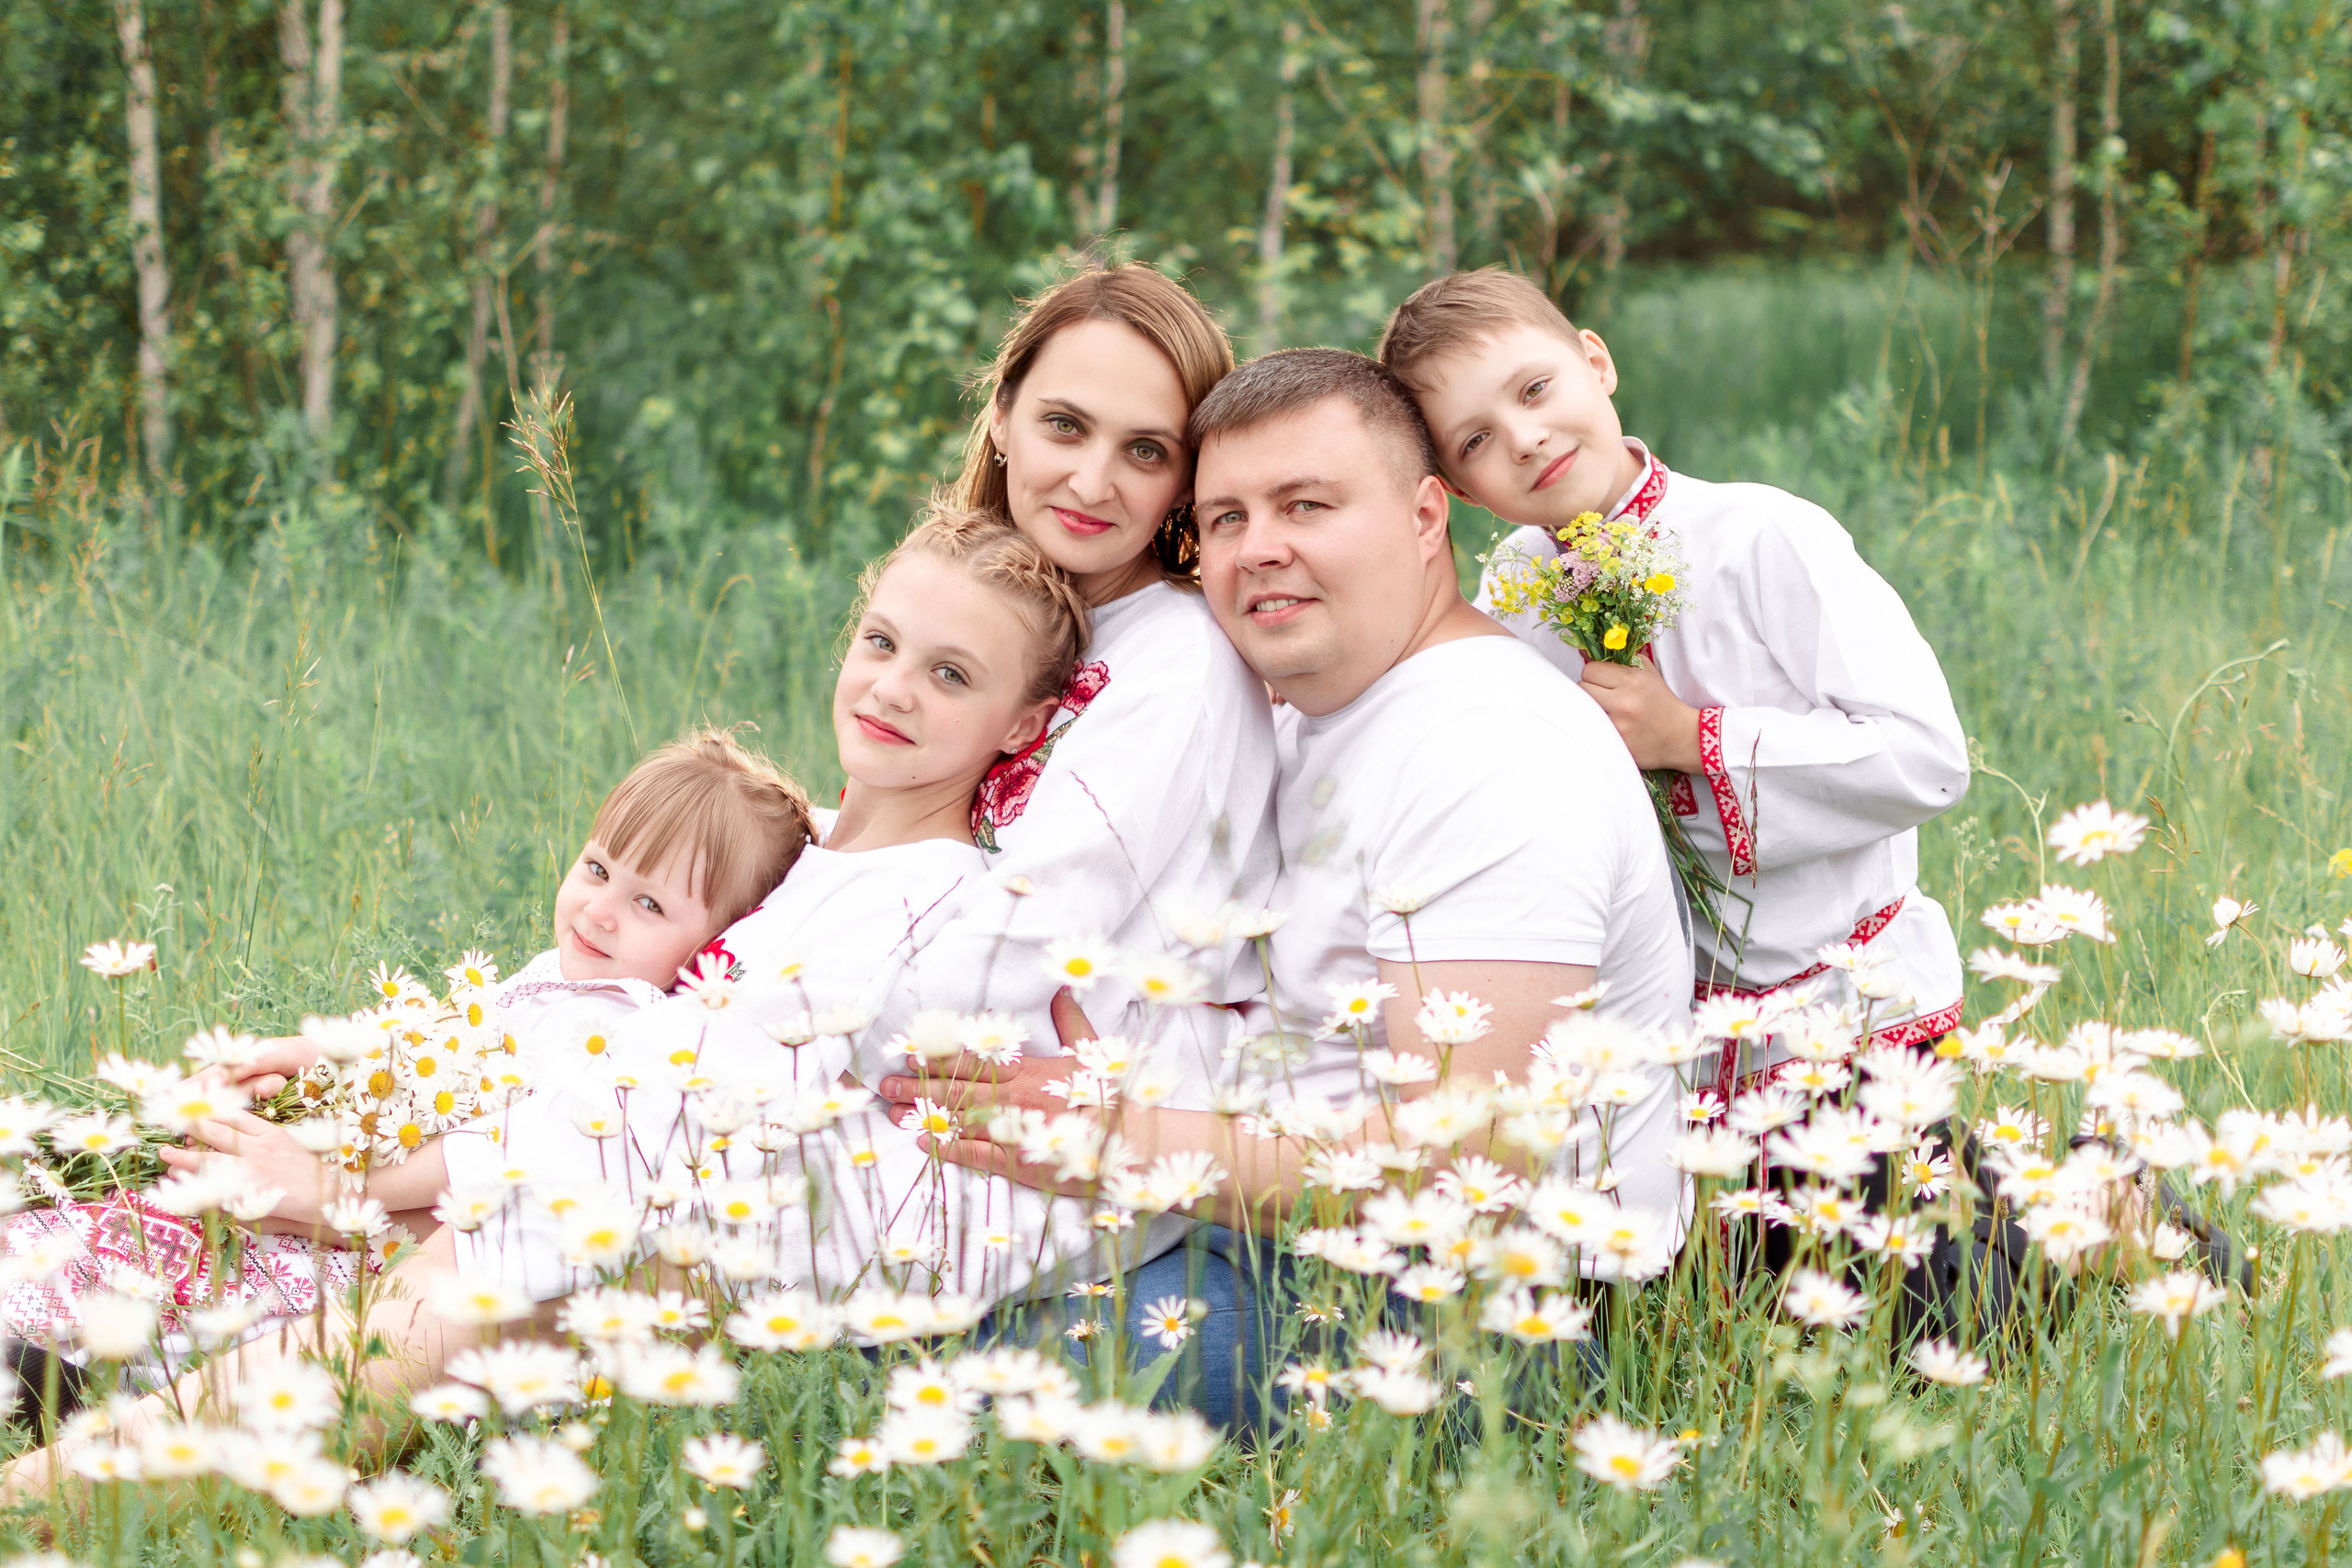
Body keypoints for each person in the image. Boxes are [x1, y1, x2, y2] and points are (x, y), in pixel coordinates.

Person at [0, 513, 1104, 1491]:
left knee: (370, 1309)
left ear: (1022, 724)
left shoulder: (925, 908)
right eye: (879, 641)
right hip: (539, 1197)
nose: (892, 687)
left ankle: (57, 1486)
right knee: (176, 1228)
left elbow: (651, 1109)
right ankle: (80, 1350)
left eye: (952, 675)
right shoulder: (809, 854)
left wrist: (350, 1188)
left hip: (642, 1248)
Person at [901, 351, 1695, 1405]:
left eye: (1305, 505)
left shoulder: (1490, 749)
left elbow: (1473, 1171)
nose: (1257, 549)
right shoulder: (1304, 712)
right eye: (1223, 518)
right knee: (885, 1261)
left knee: (901, 1357)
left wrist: (1111, 1134)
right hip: (1270, 1230)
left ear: (1424, 518)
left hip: (1472, 1319)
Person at [0, 726, 812, 1407]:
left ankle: (104, 1372)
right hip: (353, 1177)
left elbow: (493, 1149)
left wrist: (342, 1188)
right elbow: (430, 1036)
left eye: (649, 904)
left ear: (711, 949)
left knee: (247, 1275)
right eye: (598, 868)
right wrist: (311, 1054)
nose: (599, 909)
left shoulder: (621, 1035)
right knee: (170, 1217)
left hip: (390, 1234)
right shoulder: (561, 975)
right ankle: (50, 1293)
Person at [1376, 267, 1970, 1100]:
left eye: (1537, 388)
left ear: (1597, 361)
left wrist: (1688, 738)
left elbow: (1927, 757)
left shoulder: (1762, 535)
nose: (1524, 437)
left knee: (1902, 1228)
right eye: (1474, 440)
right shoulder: (1513, 589)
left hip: (1856, 1010)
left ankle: (2103, 1199)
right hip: (1674, 1048)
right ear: (1461, 490)